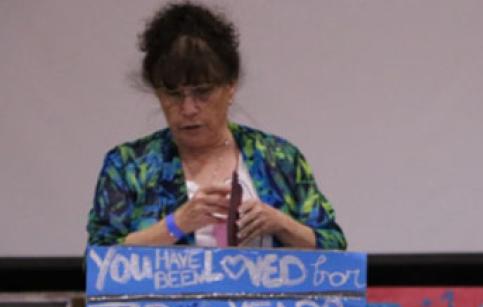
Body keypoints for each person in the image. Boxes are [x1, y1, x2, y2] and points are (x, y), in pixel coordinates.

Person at [87, 2, 346, 250]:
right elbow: (99, 261)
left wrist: (282, 224)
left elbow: (334, 246)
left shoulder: (279, 160)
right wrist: (176, 225)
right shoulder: (129, 166)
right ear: (157, 92)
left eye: (203, 92)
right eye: (173, 94)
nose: (188, 109)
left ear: (230, 87)